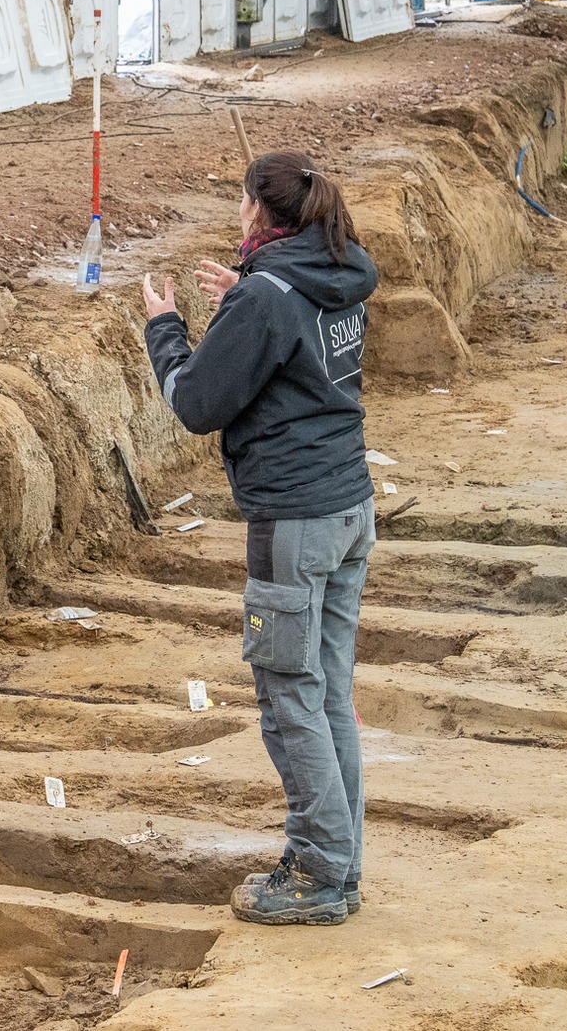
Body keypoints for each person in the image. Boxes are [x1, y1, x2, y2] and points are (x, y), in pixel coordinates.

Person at [140, 152, 379, 927]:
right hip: (347, 504)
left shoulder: (268, 297)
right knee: (326, 691)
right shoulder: (337, 268)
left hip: (296, 518)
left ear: (255, 211)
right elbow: (294, 343)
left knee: (289, 697)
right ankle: (337, 861)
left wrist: (165, 331)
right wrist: (246, 299)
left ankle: (317, 871)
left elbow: (198, 402)